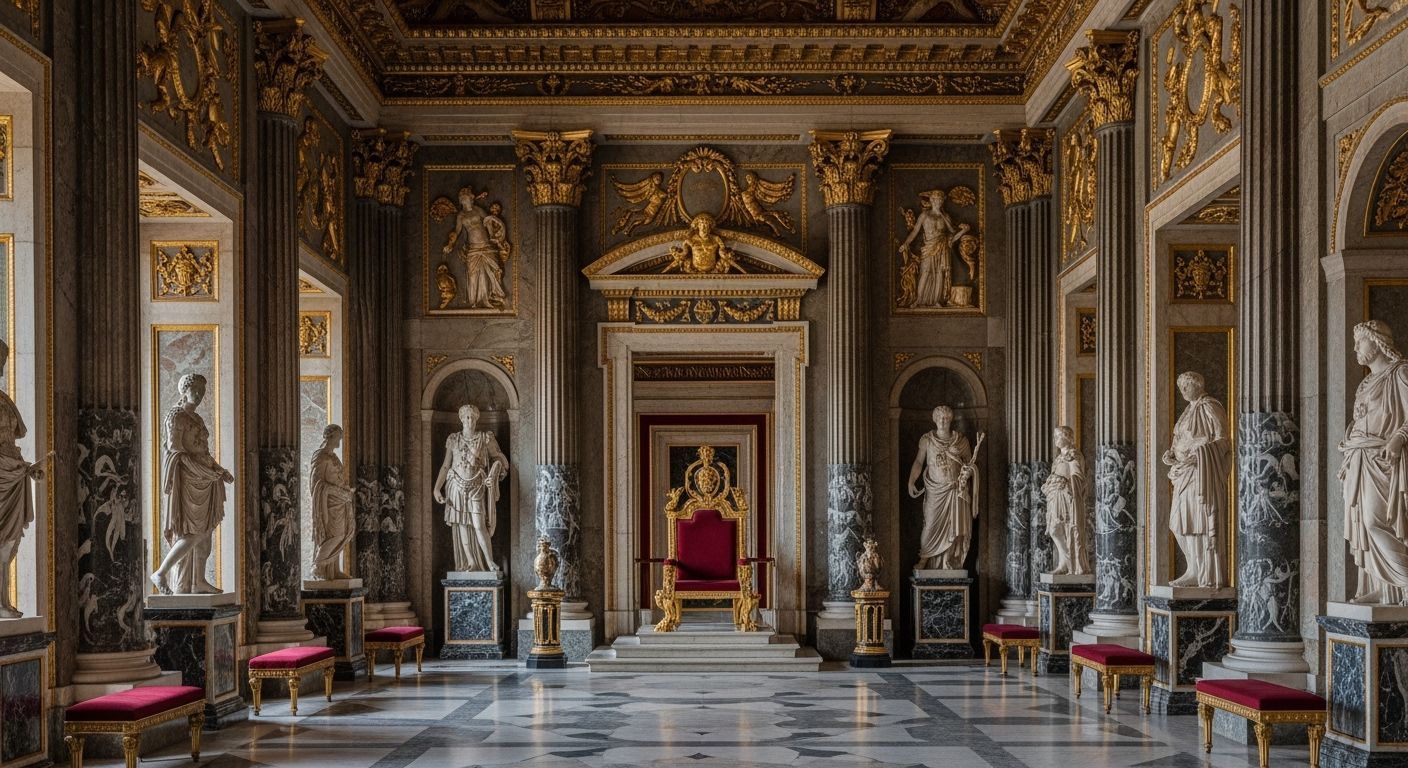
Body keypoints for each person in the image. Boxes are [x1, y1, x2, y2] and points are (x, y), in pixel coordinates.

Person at [1340, 320, 1408, 604]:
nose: (1355, 348)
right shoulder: (1365, 382)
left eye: (1360, 342)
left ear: (1378, 341)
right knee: (1363, 524)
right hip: (1359, 458)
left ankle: (1404, 578)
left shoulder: (1400, 372)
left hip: (1384, 459)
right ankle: (1384, 587)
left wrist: (1399, 437)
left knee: (1375, 521)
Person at [150, 373, 233, 595]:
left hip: (205, 480)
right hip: (189, 482)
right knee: (192, 533)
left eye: (203, 392)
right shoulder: (175, 416)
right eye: (195, 390)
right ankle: (161, 572)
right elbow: (176, 451)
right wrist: (203, 470)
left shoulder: (197, 419)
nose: (199, 395)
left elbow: (204, 452)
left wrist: (218, 469)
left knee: (205, 535)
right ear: (184, 390)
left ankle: (198, 581)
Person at [1163, 371, 1232, 587]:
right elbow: (1180, 441)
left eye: (1186, 386)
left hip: (1201, 473)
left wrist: (1200, 455)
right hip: (1182, 472)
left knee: (1198, 522)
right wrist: (1172, 454)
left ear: (1198, 385)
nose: (1182, 390)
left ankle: (1203, 572)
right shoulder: (1187, 412)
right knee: (1178, 523)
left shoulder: (1210, 406)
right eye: (1180, 386)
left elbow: (1224, 440)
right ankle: (1192, 567)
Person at [907, 406, 983, 570]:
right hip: (935, 491)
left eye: (946, 418)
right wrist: (911, 481)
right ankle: (924, 557)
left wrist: (967, 473)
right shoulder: (927, 440)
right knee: (930, 525)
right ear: (934, 420)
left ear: (951, 420)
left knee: (953, 526)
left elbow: (970, 465)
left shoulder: (961, 441)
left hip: (955, 490)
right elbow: (919, 462)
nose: (943, 421)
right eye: (940, 418)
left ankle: (949, 560)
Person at [433, 405, 507, 572]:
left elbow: (500, 460)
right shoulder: (453, 439)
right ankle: (471, 562)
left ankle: (489, 562)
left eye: (472, 417)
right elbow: (446, 466)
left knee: (479, 525)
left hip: (476, 486)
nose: (470, 420)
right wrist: (437, 488)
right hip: (455, 487)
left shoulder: (485, 438)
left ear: (477, 419)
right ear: (461, 419)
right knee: (462, 526)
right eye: (466, 417)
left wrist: (495, 472)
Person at [0, 339, 42, 618]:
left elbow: (12, 441)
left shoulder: (4, 400)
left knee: (7, 543)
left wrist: (25, 467)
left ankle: (2, 602)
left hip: (12, 474)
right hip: (6, 473)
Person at [898, 189, 969, 308]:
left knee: (939, 273)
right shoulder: (925, 215)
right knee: (925, 272)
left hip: (942, 247)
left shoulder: (945, 216)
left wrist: (963, 231)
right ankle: (919, 299)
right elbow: (915, 231)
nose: (939, 202)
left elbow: (952, 234)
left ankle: (937, 300)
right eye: (936, 199)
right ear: (931, 200)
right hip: (929, 247)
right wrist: (906, 243)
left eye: (941, 200)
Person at [441, 187, 510, 309]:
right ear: (461, 200)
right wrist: (450, 244)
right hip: (473, 249)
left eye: (467, 197)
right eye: (463, 198)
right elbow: (456, 232)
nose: (465, 200)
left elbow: (488, 221)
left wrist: (494, 234)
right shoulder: (461, 216)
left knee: (495, 270)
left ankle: (492, 297)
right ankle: (476, 301)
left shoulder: (478, 210)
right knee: (474, 275)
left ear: (471, 198)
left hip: (486, 245)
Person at [1043, 426, 1090, 575]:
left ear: (1068, 437)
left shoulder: (1074, 455)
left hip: (1067, 495)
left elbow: (1078, 476)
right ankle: (1064, 562)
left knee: (1069, 528)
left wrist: (1067, 484)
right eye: (1055, 436)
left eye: (1059, 436)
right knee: (1054, 529)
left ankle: (1074, 565)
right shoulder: (1058, 459)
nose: (1056, 439)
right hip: (1055, 495)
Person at [310, 424, 354, 580]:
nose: (339, 442)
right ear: (330, 437)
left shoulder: (334, 456)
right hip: (328, 503)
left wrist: (345, 492)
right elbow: (316, 484)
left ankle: (333, 571)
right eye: (338, 438)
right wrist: (336, 491)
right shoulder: (321, 457)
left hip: (340, 502)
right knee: (334, 535)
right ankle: (318, 564)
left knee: (341, 535)